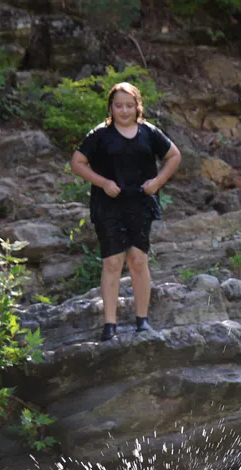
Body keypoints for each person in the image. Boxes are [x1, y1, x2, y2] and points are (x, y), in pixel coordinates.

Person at [70, 81, 182, 342]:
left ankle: (142, 321)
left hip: (139, 202)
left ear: (137, 107)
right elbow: (77, 162)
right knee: (112, 261)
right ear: (111, 107)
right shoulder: (100, 134)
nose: (124, 111)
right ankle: (110, 325)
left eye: (129, 106)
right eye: (118, 106)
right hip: (108, 203)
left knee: (138, 260)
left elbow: (174, 155)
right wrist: (103, 182)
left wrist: (157, 183)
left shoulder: (149, 132)